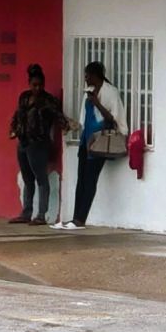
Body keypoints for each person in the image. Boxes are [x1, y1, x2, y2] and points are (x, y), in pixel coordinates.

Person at [53, 61, 126, 230]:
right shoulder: (88, 93)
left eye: (87, 76)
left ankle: (81, 219)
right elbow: (83, 117)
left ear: (96, 76)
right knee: (81, 179)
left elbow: (113, 119)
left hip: (100, 142)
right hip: (87, 141)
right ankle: (74, 218)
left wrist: (97, 104)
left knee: (90, 180)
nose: (85, 79)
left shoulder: (110, 92)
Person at [8, 63, 63, 225]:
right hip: (23, 141)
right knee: (27, 179)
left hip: (39, 143)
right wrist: (13, 130)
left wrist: (67, 125)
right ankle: (26, 212)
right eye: (34, 85)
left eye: (40, 85)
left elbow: (59, 116)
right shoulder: (24, 97)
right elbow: (18, 115)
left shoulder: (48, 101)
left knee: (41, 178)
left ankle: (41, 214)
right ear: (29, 84)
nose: (37, 88)